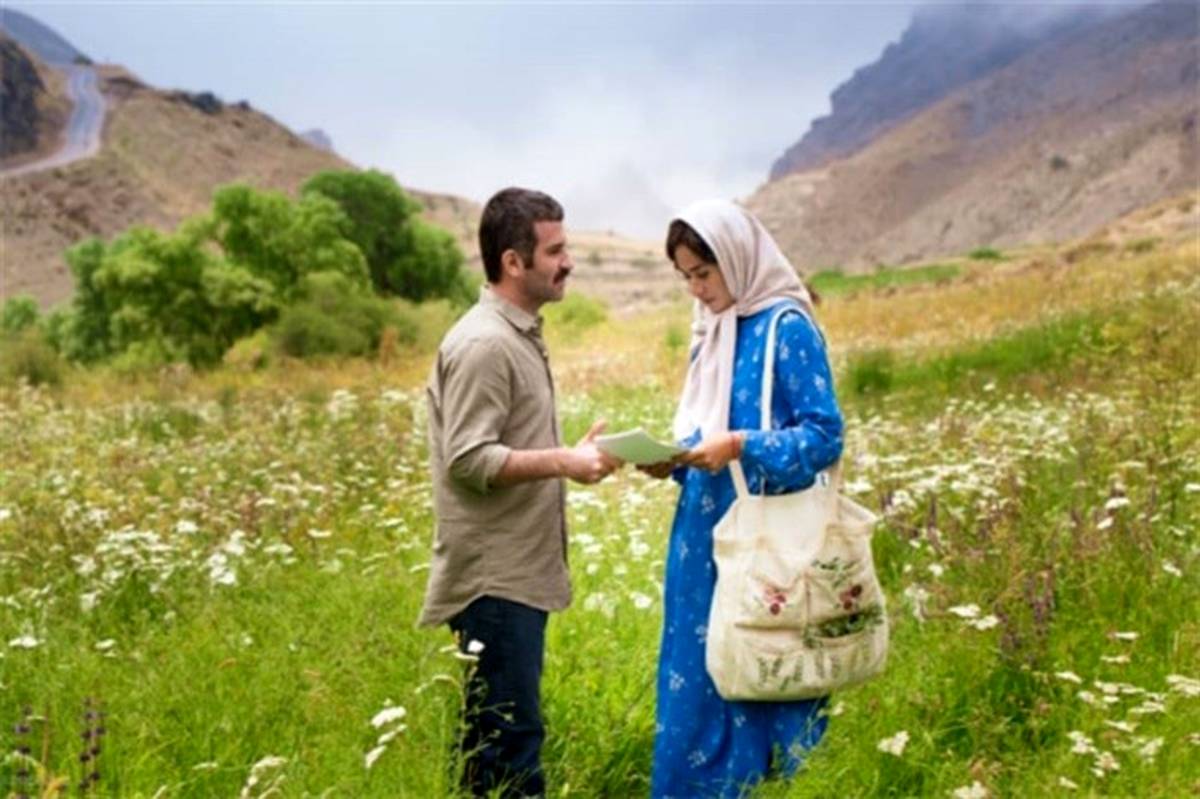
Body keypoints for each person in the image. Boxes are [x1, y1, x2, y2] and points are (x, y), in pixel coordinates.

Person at [418, 187, 621, 797]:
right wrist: (565, 462)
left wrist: (570, 457)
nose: (569, 262)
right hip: (494, 582)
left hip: (513, 577)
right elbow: (467, 458)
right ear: (513, 261)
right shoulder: (485, 344)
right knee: (509, 751)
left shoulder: (515, 333)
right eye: (555, 251)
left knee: (490, 749)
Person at [640, 199, 844, 798]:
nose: (696, 290)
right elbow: (709, 426)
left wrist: (741, 446)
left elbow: (824, 435)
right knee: (699, 667)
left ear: (736, 260)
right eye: (686, 277)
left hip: (768, 537)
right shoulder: (715, 329)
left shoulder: (787, 327)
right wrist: (674, 459)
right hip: (704, 535)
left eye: (704, 273)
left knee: (768, 658)